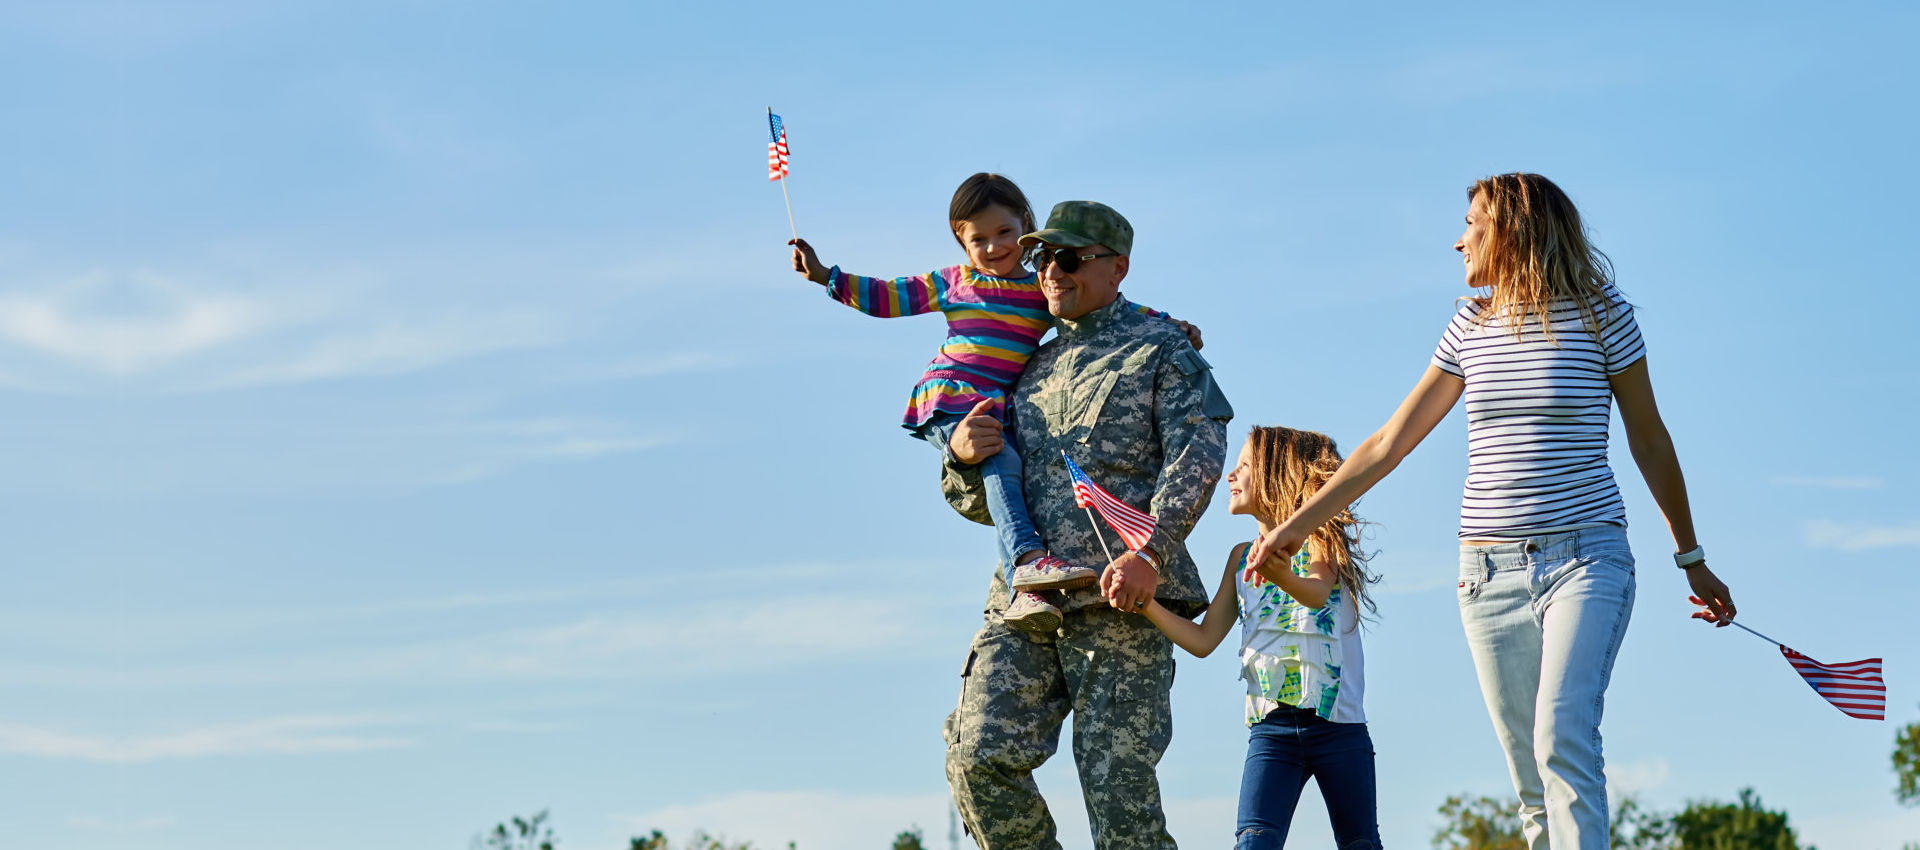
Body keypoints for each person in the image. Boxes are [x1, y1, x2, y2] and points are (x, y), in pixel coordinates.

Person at [1245, 173, 1737, 849]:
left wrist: (1691, 556)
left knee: (1561, 734)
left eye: (1471, 222)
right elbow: (1388, 445)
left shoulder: (1603, 315)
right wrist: (1291, 527)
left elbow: (1649, 438)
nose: (1458, 240)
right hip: (1486, 574)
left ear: (1513, 227)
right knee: (1530, 776)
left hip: (1586, 557)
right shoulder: (1469, 326)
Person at [939, 199, 1231, 850]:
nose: (1050, 272)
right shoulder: (1020, 366)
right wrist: (961, 457)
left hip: (1123, 601)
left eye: (1067, 259)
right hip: (1026, 606)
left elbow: (1199, 454)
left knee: (1118, 799)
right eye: (1041, 258)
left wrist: (1150, 553)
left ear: (1116, 268)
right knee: (975, 757)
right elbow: (984, 499)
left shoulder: (1161, 346)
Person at [787, 173, 1202, 631]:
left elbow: (1120, 308)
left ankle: (1026, 586)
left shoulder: (1040, 292)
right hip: (953, 397)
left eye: (1004, 232)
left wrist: (1172, 323)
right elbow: (889, 297)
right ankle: (1028, 561)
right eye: (977, 238)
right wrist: (827, 276)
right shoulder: (955, 282)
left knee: (1009, 469)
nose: (993, 246)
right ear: (960, 242)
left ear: (1025, 225)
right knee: (1002, 466)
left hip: (993, 405)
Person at [1139, 426, 1381, 850]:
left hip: (1338, 729)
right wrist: (1145, 605)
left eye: (1244, 465)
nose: (1230, 476)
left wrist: (1281, 573)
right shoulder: (1239, 559)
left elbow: (1316, 592)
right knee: (1254, 841)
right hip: (1271, 731)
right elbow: (1203, 639)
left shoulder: (1320, 535)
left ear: (1275, 472)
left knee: (1359, 842)